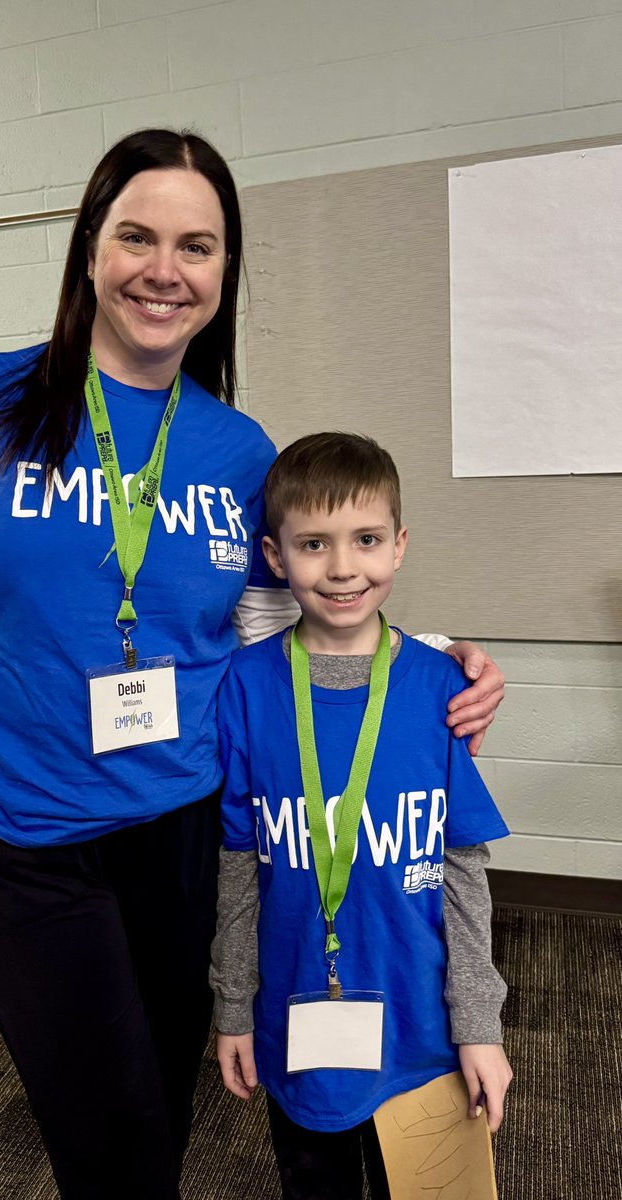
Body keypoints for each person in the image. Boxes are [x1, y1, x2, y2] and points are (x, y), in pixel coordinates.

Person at [0, 130, 505, 1200]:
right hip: (18, 834)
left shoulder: (239, 451)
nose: (166, 268)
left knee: (160, 1094)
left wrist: (429, 662)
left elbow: (265, 635)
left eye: (198, 245)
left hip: (185, 828)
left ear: (224, 270)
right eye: (137, 236)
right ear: (89, 251)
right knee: (113, 1138)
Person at [211, 431, 513, 1200]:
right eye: (314, 544)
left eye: (367, 539)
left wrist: (480, 1026)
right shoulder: (245, 687)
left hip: (423, 1029)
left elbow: (462, 871)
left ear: (400, 545)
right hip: (298, 1018)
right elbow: (238, 866)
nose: (344, 568)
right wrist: (233, 1007)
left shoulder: (439, 685)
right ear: (275, 558)